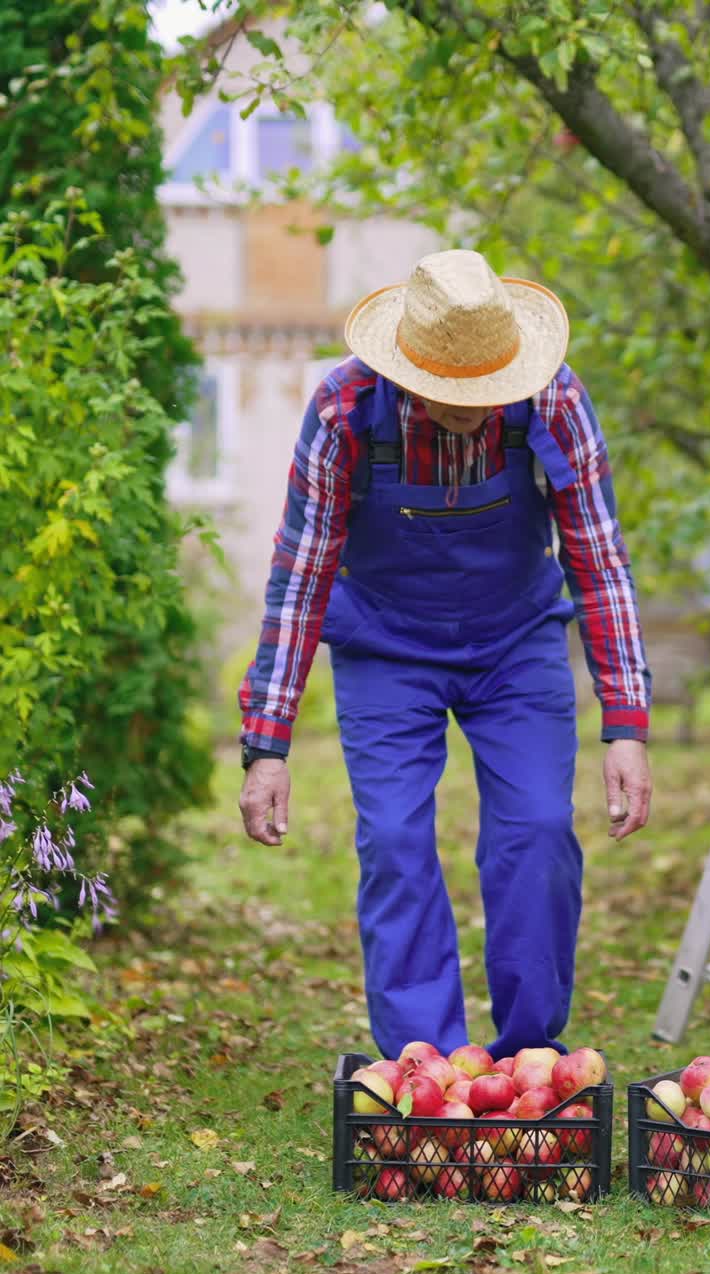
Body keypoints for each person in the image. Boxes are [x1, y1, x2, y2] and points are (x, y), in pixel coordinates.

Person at [236, 249, 653, 1061]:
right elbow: (301, 573)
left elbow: (600, 562)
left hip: (515, 643)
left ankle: (530, 1055)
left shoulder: (554, 400)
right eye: (455, 390)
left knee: (538, 829)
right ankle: (424, 1066)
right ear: (408, 368)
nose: (475, 406)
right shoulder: (345, 412)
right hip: (386, 648)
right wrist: (268, 745)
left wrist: (627, 725)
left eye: (489, 388)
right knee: (394, 841)